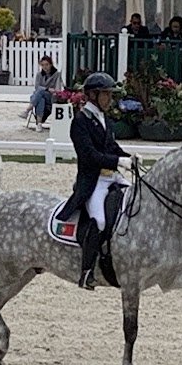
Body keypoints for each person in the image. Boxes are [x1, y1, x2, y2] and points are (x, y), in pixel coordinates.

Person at [55, 73, 137, 291]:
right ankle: (87, 271)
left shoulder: (103, 118)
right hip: (94, 181)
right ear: (92, 95)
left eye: (110, 94)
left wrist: (128, 157)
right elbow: (90, 156)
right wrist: (119, 160)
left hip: (113, 176)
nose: (110, 99)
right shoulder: (80, 122)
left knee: (137, 201)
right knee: (99, 221)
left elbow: (111, 147)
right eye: (106, 94)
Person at [18, 55, 63, 132]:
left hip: (51, 98)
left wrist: (47, 90)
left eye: (46, 65)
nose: (45, 67)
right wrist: (47, 89)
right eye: (42, 65)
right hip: (40, 97)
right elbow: (36, 87)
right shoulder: (39, 74)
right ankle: (39, 124)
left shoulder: (57, 74)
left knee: (40, 91)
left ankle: (28, 110)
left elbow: (57, 89)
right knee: (41, 99)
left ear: (51, 64)